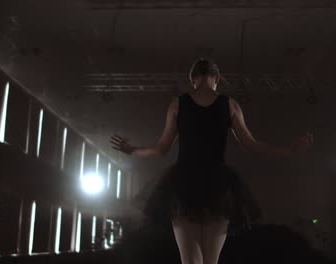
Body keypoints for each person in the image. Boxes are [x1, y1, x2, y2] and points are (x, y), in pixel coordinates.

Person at [110, 59, 314, 264]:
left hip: (183, 183)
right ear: (217, 78)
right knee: (211, 261)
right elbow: (252, 145)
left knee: (189, 261)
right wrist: (289, 151)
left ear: (193, 80)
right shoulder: (231, 104)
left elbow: (162, 149)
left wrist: (132, 150)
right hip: (218, 185)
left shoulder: (178, 104)